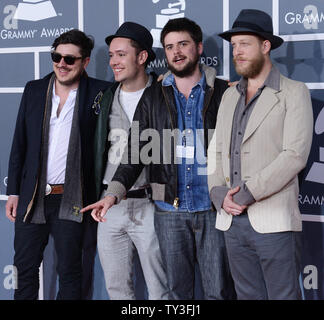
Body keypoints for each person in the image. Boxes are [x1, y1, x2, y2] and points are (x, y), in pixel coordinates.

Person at [82, 17, 236, 300]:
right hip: (169, 211)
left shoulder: (225, 93)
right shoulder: (153, 97)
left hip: (214, 209)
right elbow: (134, 152)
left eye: (183, 44)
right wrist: (112, 194)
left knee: (219, 292)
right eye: (169, 47)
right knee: (176, 295)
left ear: (199, 47)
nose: (176, 52)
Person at [207, 9, 313, 299]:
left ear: (265, 46)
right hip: (230, 221)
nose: (237, 52)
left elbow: (294, 155)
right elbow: (215, 149)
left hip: (273, 219)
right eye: (233, 46)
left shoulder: (294, 92)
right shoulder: (229, 95)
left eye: (244, 44)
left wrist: (245, 194)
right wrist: (218, 194)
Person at [5, 29, 111, 300]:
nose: (62, 64)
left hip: (72, 198)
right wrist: (14, 191)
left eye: (69, 59)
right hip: (33, 196)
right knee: (24, 270)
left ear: (85, 62)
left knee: (70, 272)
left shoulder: (100, 92)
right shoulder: (35, 90)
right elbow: (20, 144)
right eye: (57, 57)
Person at [91, 22, 168, 300]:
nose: (113, 61)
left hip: (152, 205)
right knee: (117, 292)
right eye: (111, 55)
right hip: (109, 207)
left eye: (121, 54)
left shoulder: (165, 94)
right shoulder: (105, 97)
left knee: (162, 291)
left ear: (142, 57)